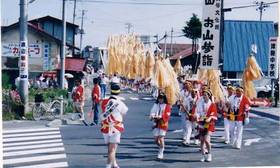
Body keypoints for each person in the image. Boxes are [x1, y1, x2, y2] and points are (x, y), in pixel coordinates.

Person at [100, 84, 128, 168]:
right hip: (115, 128)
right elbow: (124, 113)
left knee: (110, 148)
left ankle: (114, 163)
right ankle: (108, 166)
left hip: (105, 127)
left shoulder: (104, 101)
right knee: (112, 149)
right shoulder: (120, 103)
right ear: (119, 92)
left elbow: (103, 113)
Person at [196, 90, 217, 162]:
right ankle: (203, 155)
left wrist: (209, 118)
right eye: (203, 95)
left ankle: (209, 155)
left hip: (209, 124)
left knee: (207, 140)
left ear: (209, 96)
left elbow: (213, 113)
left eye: (205, 95)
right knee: (202, 140)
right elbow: (197, 112)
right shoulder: (200, 103)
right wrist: (198, 117)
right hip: (201, 123)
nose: (204, 96)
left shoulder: (212, 104)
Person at [149, 93, 171, 160]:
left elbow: (167, 115)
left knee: (161, 138)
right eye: (159, 98)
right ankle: (161, 147)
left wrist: (161, 117)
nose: (160, 100)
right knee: (156, 140)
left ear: (164, 99)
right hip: (156, 123)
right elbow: (152, 111)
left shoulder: (167, 106)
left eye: (161, 98)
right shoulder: (156, 105)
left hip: (163, 123)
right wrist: (152, 116)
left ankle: (161, 152)